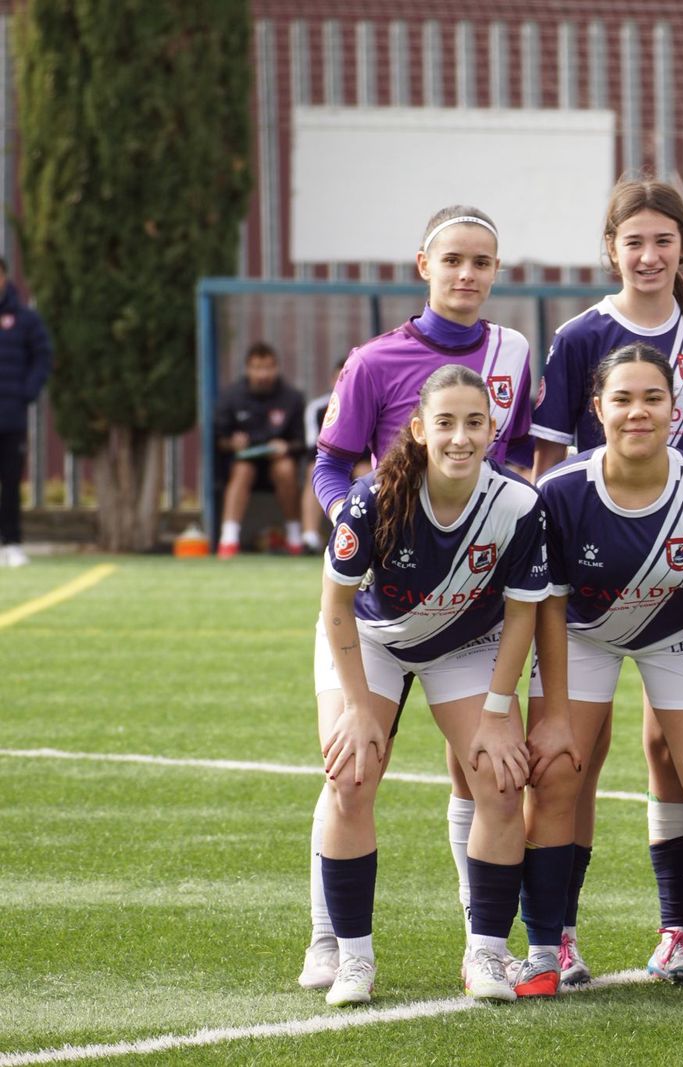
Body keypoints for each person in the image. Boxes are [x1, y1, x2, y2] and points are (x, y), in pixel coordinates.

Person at [299, 205, 536, 992]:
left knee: (495, 775)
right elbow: (330, 467)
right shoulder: (373, 361)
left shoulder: (513, 353)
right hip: (379, 602)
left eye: (482, 262)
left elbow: (519, 463)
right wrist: (364, 530)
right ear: (424, 265)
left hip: (469, 610)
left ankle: (484, 942)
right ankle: (334, 940)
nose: (467, 274)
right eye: (453, 260)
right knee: (352, 765)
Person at [529, 179, 683, 987]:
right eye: (634, 242)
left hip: (682, 581)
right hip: (587, 588)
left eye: (664, 241)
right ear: (611, 249)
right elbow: (548, 466)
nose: (650, 257)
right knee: (562, 761)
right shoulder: (583, 334)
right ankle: (555, 942)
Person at [213, 342, 306, 557]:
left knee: (285, 468)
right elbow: (219, 440)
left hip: (278, 463)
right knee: (243, 468)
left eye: (268, 367)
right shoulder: (231, 397)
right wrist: (232, 443)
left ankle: (294, 536)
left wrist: (285, 446)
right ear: (247, 368)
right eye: (257, 367)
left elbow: (302, 443)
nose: (263, 374)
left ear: (277, 368)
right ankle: (228, 539)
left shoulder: (292, 398)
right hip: (245, 465)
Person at [0, 255, 52, 568]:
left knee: (10, 482)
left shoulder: (25, 319)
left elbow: (43, 356)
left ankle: (12, 543)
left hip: (10, 416)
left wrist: (27, 393)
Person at [300, 357, 366, 554]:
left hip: (361, 461)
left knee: (369, 475)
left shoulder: (370, 404)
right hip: (330, 460)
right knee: (315, 471)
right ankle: (310, 537)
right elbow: (314, 448)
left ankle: (369, 534)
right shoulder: (318, 408)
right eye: (340, 380)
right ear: (332, 382)